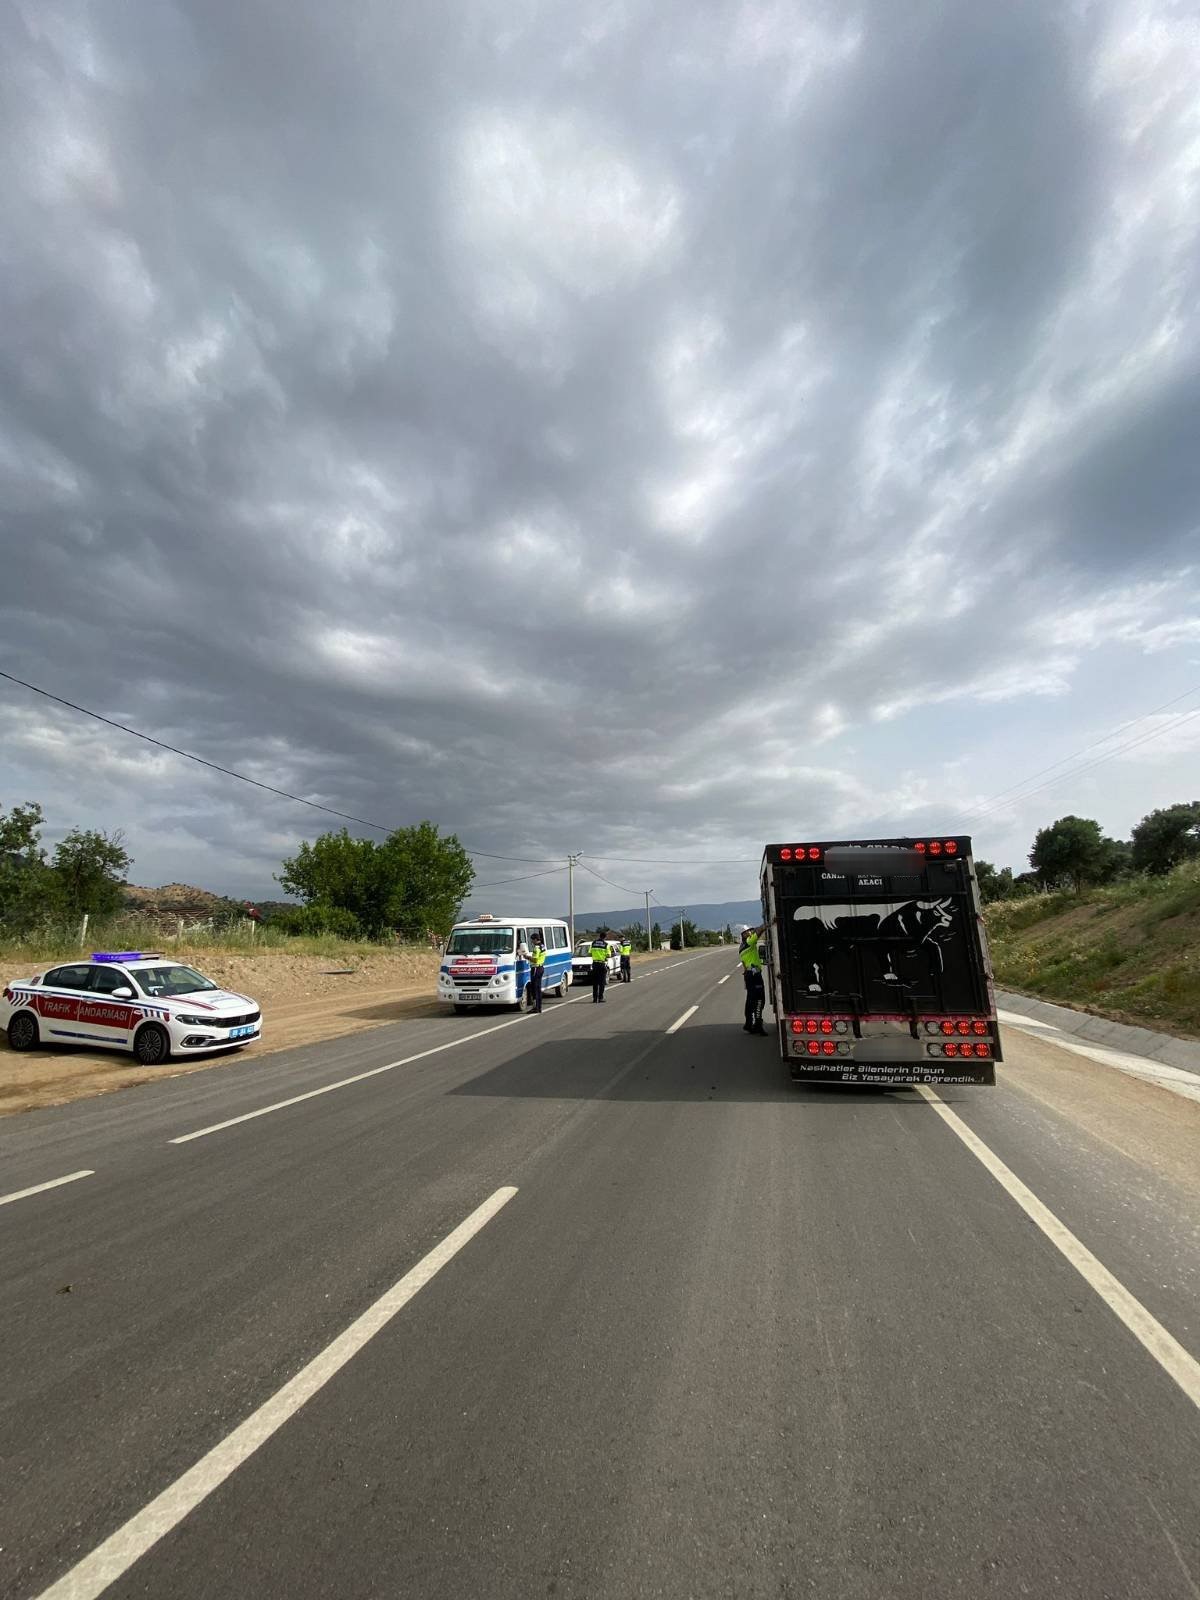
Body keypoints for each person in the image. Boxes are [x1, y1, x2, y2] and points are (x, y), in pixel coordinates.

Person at [740, 928, 768, 1035]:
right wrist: (767, 924)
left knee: (750, 1000)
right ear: (745, 935)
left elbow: (744, 964)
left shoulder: (742, 947)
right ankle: (758, 1025)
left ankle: (748, 1023)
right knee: (760, 1000)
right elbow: (758, 932)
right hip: (754, 975)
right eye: (748, 932)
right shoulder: (748, 942)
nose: (751, 933)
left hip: (749, 974)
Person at [589, 934, 609, 1003]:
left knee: (595, 982)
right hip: (601, 964)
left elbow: (589, 953)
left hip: (594, 964)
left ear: (599, 936)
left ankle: (595, 999)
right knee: (602, 982)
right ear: (605, 937)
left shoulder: (593, 943)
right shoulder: (606, 944)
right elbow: (608, 955)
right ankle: (600, 998)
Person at [528, 938, 546, 1013]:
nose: (532, 941)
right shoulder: (543, 946)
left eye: (532, 940)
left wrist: (527, 957)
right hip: (541, 967)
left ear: (535, 940)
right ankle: (538, 1008)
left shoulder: (536, 948)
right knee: (538, 989)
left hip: (536, 968)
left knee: (535, 989)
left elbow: (535, 959)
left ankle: (536, 1008)